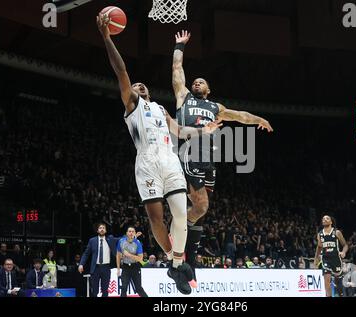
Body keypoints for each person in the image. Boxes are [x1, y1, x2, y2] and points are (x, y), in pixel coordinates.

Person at [96, 14, 220, 295]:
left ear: (148, 91)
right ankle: (175, 262)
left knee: (180, 214)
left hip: (169, 160)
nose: (137, 87)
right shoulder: (132, 106)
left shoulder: (161, 110)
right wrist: (107, 38)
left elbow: (180, 131)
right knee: (156, 218)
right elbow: (122, 71)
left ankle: (176, 263)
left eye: (142, 86)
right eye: (135, 86)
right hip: (148, 162)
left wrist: (205, 131)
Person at [171, 30, 274, 284]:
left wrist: (259, 119)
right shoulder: (183, 97)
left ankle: (189, 262)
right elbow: (176, 69)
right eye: (195, 81)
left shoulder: (216, 108)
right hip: (190, 151)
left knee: (202, 212)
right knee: (201, 207)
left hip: (209, 159)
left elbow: (240, 116)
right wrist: (179, 46)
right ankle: (176, 230)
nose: (196, 83)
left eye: (201, 82)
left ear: (208, 89)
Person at [79, 222, 118, 297]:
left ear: (106, 231)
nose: (102, 229)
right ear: (97, 230)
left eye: (103, 228)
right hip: (95, 268)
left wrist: (132, 236)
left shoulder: (110, 239)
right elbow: (86, 253)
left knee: (105, 290)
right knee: (94, 290)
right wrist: (81, 264)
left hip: (106, 268)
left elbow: (121, 238)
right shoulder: (92, 240)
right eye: (100, 228)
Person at [314, 215, 348, 297]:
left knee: (338, 283)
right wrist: (316, 258)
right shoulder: (320, 234)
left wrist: (343, 252)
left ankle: (341, 294)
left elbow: (345, 245)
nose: (324, 219)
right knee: (327, 280)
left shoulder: (337, 232)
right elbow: (319, 247)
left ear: (331, 222)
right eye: (323, 219)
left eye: (327, 218)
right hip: (325, 259)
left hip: (336, 259)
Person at [116, 227, 148, 297]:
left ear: (135, 233)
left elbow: (140, 258)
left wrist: (128, 255)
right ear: (126, 233)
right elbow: (118, 255)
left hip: (135, 267)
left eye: (133, 231)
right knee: (123, 288)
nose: (131, 233)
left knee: (139, 288)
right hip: (125, 267)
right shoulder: (121, 241)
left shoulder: (137, 243)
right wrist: (118, 268)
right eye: (129, 231)